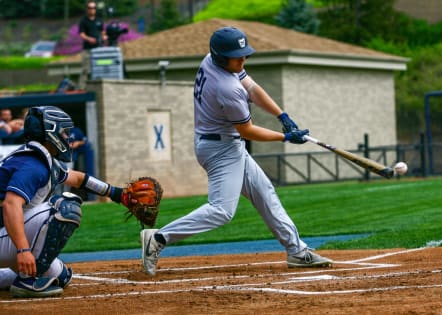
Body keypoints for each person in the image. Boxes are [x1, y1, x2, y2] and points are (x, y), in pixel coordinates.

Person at [140, 26, 333, 276]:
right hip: (220, 148)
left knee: (265, 193)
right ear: (222, 57)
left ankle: (296, 251)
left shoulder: (213, 61)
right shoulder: (226, 89)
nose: (243, 60)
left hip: (222, 143)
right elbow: (248, 131)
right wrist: (285, 137)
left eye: (244, 54)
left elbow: (252, 88)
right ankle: (158, 238)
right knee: (221, 211)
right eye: (237, 56)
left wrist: (281, 115)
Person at [0, 106, 137, 298]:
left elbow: (79, 179)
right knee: (65, 207)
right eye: (64, 132)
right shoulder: (32, 164)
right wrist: (23, 250)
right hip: (4, 232)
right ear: (50, 133)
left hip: (5, 233)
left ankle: (7, 276)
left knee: (61, 277)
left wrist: (117, 194)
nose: (67, 137)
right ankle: (27, 281)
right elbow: (10, 204)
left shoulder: (40, 159)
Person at [78, 1, 107, 89]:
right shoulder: (83, 21)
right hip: (87, 49)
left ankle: (99, 87)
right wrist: (89, 39)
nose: (92, 10)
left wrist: (104, 38)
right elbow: (81, 34)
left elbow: (102, 32)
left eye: (93, 8)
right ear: (87, 9)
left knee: (99, 68)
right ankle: (82, 88)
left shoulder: (99, 20)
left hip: (98, 49)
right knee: (85, 69)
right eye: (90, 8)